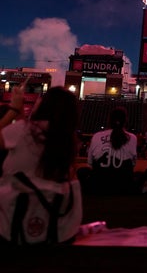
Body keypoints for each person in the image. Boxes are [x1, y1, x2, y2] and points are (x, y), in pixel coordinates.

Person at [0, 81, 83, 244]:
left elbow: (24, 135)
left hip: (12, 223)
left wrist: (13, 110)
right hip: (57, 228)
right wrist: (21, 116)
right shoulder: (67, 141)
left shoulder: (22, 130)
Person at [79, 106, 139, 195]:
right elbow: (133, 164)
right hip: (123, 186)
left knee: (82, 171)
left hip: (99, 186)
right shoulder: (132, 137)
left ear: (109, 121)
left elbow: (90, 163)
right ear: (125, 121)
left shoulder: (96, 136)